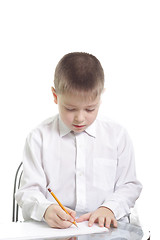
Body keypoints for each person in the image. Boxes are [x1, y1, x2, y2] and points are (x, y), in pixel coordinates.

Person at [16, 52, 142, 229]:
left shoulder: (117, 135)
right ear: (55, 96)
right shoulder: (39, 137)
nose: (80, 118)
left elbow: (129, 185)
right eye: (70, 108)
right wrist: (46, 209)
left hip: (107, 230)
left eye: (90, 109)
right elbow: (28, 191)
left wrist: (109, 208)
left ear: (100, 96)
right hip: (54, 231)